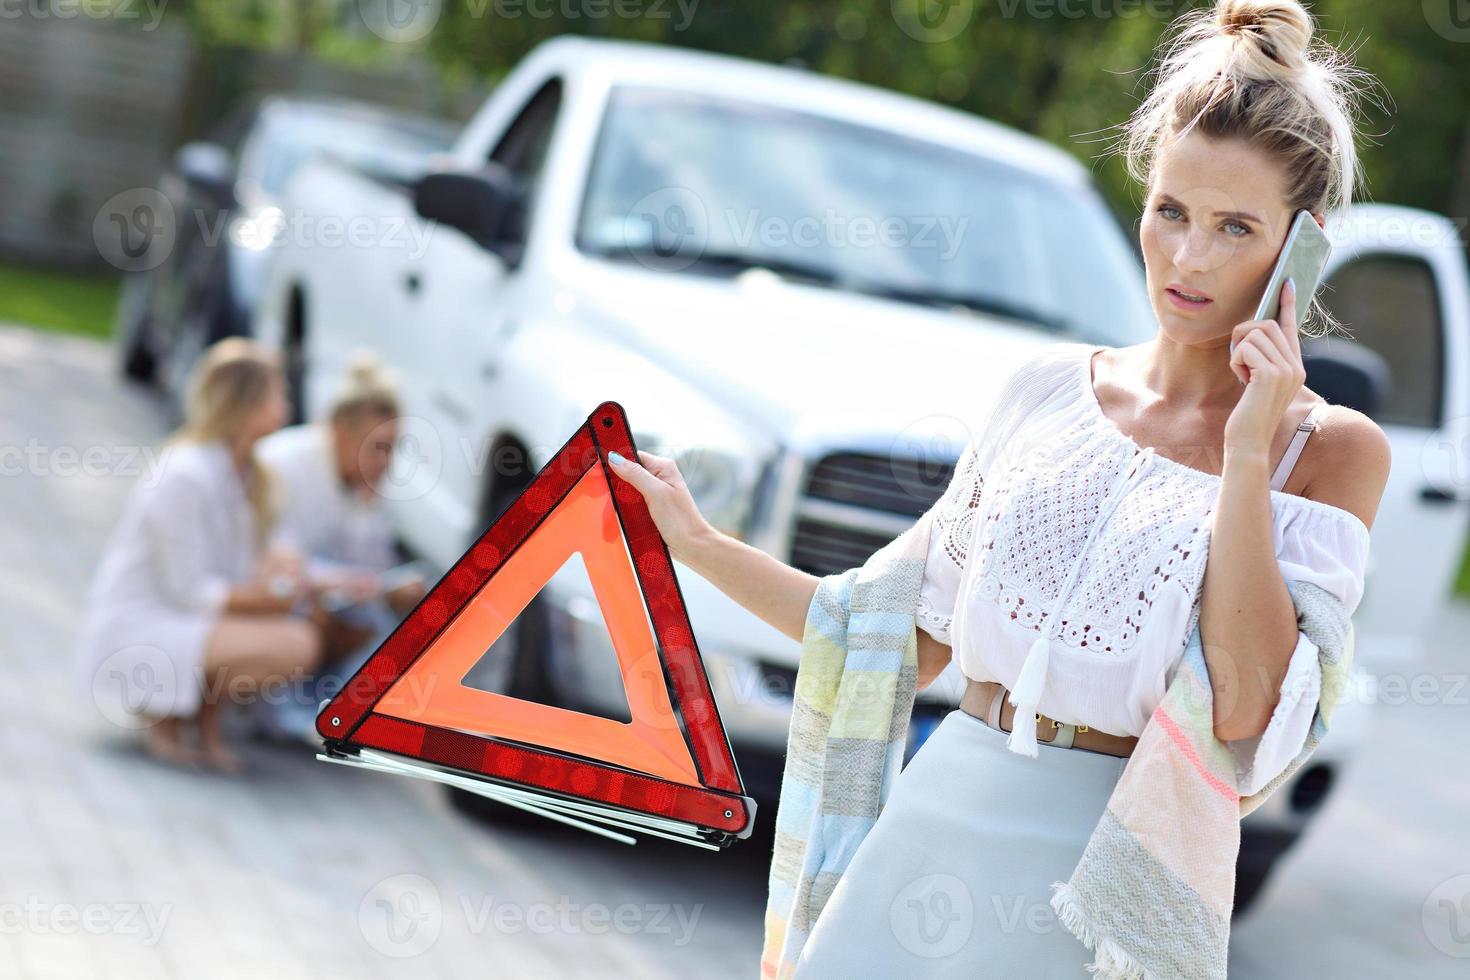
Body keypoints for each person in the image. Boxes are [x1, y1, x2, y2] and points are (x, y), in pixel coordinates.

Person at [605, 1, 1391, 973]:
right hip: (931, 823)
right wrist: (698, 545)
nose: (1189, 258)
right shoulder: (1043, 390)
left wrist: (1244, 448)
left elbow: (1245, 706)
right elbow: (881, 630)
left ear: (1299, 249)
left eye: (1236, 228)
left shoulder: (1326, 450)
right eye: (1172, 212)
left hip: (1097, 876)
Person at [75, 338, 324, 773]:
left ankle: (203, 721)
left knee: (297, 633)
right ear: (247, 402)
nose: (285, 402)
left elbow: (274, 548)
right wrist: (266, 598)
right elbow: (186, 589)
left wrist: (285, 571)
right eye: (276, 392)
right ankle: (165, 716)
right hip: (150, 618)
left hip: (195, 611)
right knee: (291, 640)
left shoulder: (254, 473)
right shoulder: (185, 472)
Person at [254, 351, 427, 739]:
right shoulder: (287, 464)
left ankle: (338, 713)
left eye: (393, 448)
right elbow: (269, 558)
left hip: (313, 595)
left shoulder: (363, 484)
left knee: (398, 622)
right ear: (340, 433)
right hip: (262, 591)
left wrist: (390, 587)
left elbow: (373, 568)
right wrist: (335, 588)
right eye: (378, 447)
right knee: (317, 611)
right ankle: (281, 713)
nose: (387, 461)